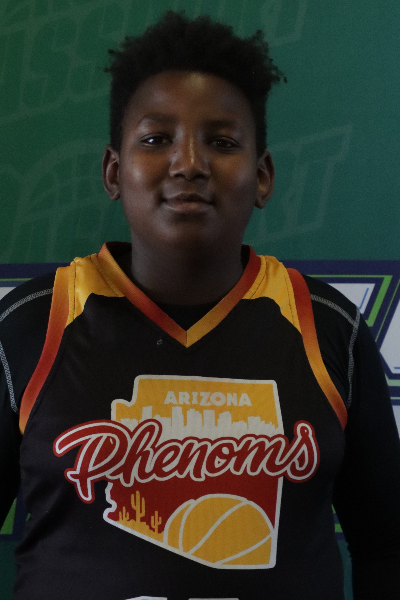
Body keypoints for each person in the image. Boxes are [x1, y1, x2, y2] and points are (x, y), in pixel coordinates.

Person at [1, 10, 400, 600]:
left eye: (222, 142)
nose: (189, 163)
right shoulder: (33, 324)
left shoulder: (327, 327)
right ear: (114, 172)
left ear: (262, 177)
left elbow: (387, 546)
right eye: (155, 139)